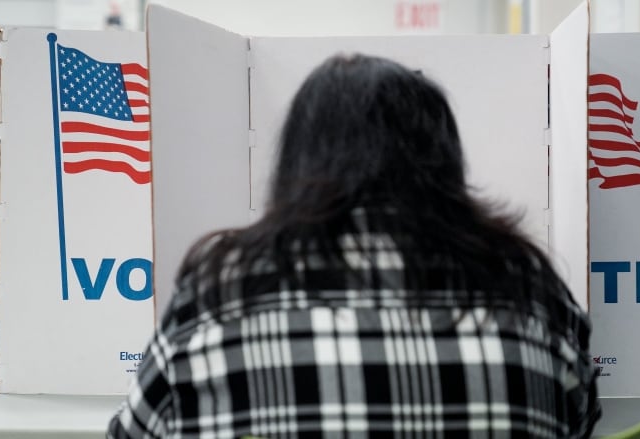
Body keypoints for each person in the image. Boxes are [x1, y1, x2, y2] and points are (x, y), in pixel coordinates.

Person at [107, 54, 600, 438]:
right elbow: (578, 419)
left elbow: (135, 432)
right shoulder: (529, 288)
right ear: (445, 161)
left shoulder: (219, 292)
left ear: (296, 163)